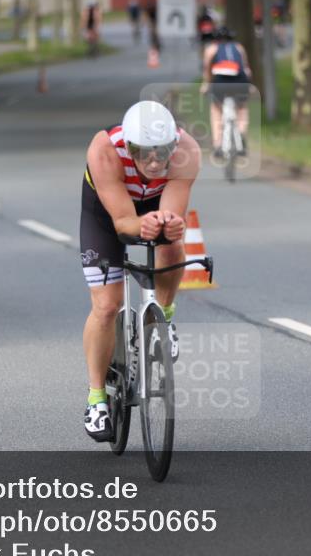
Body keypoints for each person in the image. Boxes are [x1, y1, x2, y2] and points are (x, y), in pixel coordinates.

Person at [79, 101, 201, 442]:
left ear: (173, 146)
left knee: (172, 240)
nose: (152, 161)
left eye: (161, 152)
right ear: (127, 146)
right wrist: (139, 224)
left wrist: (168, 225)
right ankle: (96, 398)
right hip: (108, 212)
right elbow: (122, 222)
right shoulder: (104, 150)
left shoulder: (187, 150)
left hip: (157, 202)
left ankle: (164, 314)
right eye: (142, 152)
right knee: (106, 306)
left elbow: (172, 211)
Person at [200, 27, 251, 161]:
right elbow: (246, 68)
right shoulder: (239, 47)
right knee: (242, 108)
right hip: (240, 81)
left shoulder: (211, 49)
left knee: (216, 110)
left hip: (220, 82)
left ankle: (217, 144)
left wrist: (206, 85)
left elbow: (207, 70)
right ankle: (241, 133)